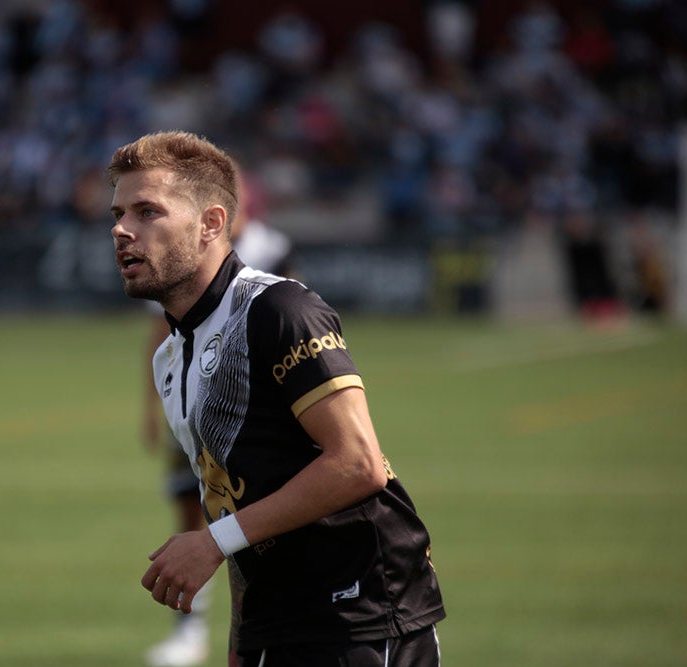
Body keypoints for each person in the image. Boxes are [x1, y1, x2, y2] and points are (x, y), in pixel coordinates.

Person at [108, 131, 445, 666]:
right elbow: (231, 500)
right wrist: (243, 641)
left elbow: (358, 464)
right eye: (120, 211)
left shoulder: (279, 310)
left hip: (359, 621)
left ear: (212, 224)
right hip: (274, 627)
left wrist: (212, 542)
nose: (122, 229)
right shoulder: (170, 359)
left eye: (148, 211)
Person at [140, 169, 295, 667]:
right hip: (189, 399)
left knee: (254, 519)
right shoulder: (173, 257)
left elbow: (290, 319)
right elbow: (158, 335)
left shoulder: (272, 260)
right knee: (197, 505)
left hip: (253, 408)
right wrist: (150, 406)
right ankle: (190, 630)